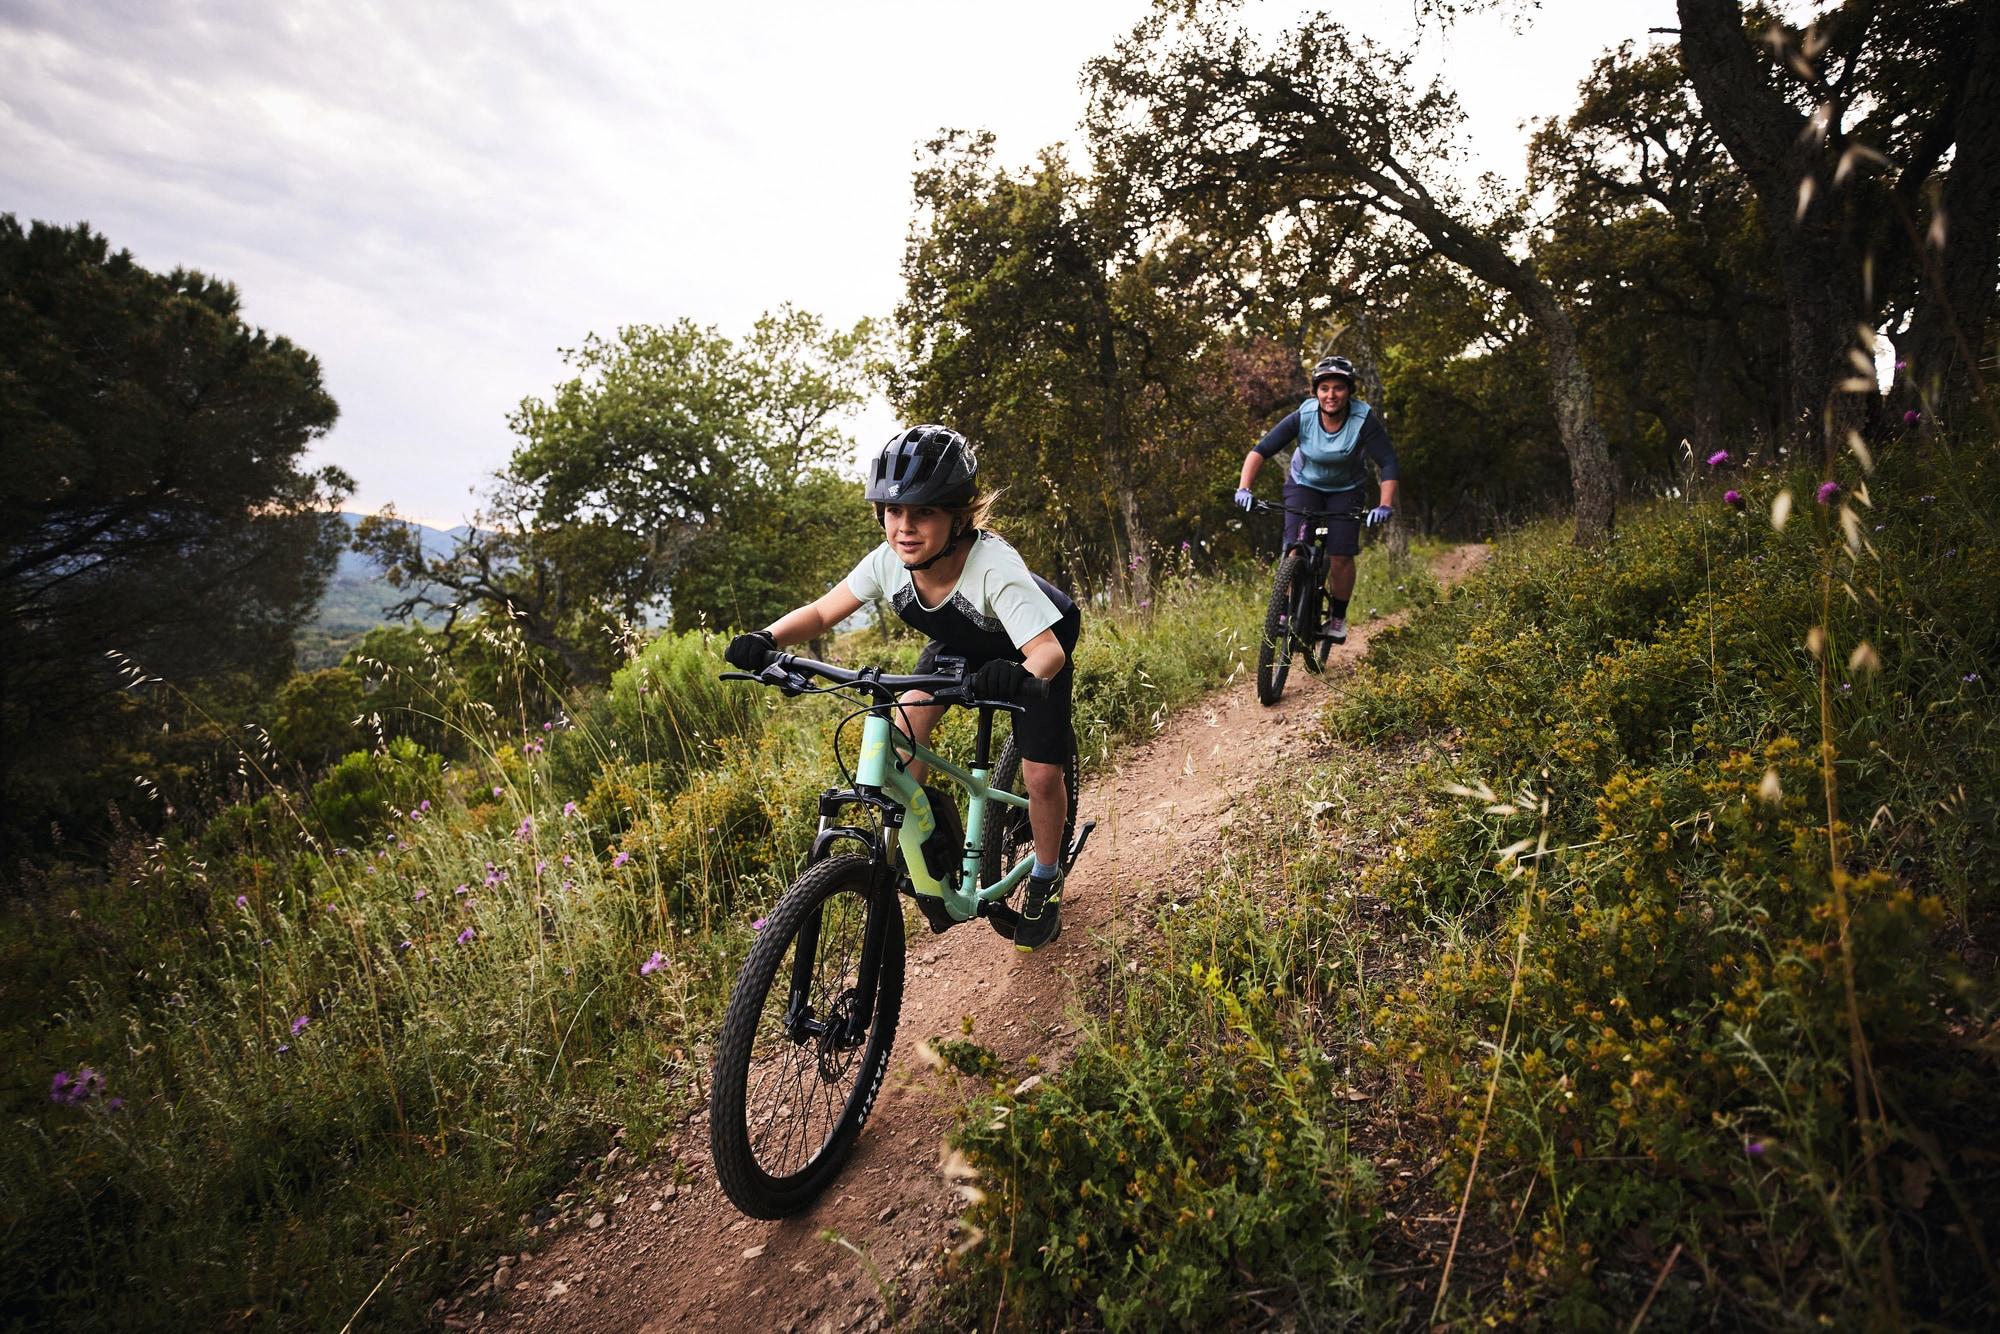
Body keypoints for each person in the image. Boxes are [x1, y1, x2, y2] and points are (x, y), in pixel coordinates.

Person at [724, 425, 1080, 952]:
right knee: (902, 728)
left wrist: (1020, 673)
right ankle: (926, 842)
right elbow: (822, 612)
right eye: (893, 511)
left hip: (1032, 642)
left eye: (924, 512)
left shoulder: (993, 567)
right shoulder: (888, 562)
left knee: (1041, 774)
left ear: (958, 517)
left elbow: (1048, 653)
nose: (905, 527)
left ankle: (1046, 877)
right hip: (961, 640)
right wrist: (766, 638)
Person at [1232, 355, 1400, 646]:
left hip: (1346, 489)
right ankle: (1283, 612)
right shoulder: (1304, 415)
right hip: (1304, 484)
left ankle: (1337, 618)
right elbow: (1260, 451)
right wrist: (1244, 488)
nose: (1331, 395)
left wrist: (1384, 505)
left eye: (1338, 388)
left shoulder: (1362, 419)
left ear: (1349, 391)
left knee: (1341, 555)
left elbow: (1388, 462)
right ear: (1316, 392)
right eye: (1324, 388)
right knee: (1295, 548)